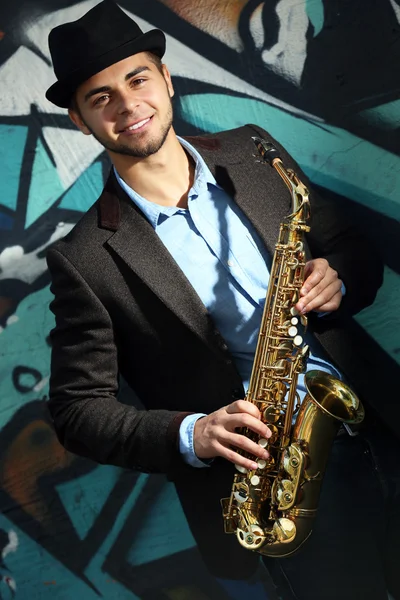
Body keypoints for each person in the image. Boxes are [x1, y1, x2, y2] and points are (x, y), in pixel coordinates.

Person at [45, 2, 399, 599]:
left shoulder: (253, 150)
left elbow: (349, 248)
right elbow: (78, 411)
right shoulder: (83, 259)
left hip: (382, 417)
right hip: (278, 485)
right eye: (100, 97)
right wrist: (192, 434)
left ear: (165, 79)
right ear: (81, 120)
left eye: (137, 79)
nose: (128, 105)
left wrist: (338, 276)